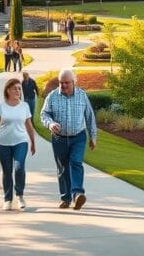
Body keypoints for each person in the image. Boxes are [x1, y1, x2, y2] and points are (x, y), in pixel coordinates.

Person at [40, 69, 97, 210]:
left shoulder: (82, 95)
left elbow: (89, 116)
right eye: (61, 82)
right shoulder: (52, 96)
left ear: (74, 82)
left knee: (76, 162)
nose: (64, 85)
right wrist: (50, 124)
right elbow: (44, 114)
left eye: (67, 82)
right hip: (59, 139)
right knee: (63, 168)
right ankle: (66, 198)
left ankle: (77, 194)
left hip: (78, 137)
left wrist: (93, 136)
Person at [0, 78, 36, 211]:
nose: (18, 91)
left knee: (19, 168)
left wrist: (33, 142)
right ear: (8, 91)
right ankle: (7, 199)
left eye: (19, 88)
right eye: (15, 88)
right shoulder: (1, 107)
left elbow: (29, 125)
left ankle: (20, 195)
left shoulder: (24, 106)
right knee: (7, 171)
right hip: (3, 143)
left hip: (21, 142)